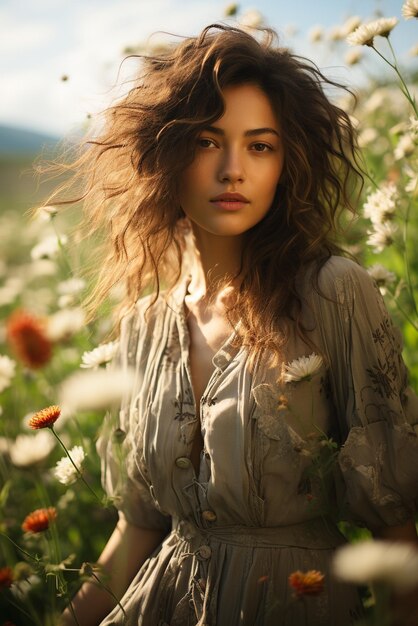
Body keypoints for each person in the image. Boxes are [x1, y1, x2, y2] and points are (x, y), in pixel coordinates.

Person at [58, 23, 418, 626]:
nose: (232, 170)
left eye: (259, 145)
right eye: (206, 142)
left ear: (287, 161)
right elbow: (139, 526)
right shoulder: (145, 323)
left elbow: (397, 537)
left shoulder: (333, 291)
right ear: (166, 155)